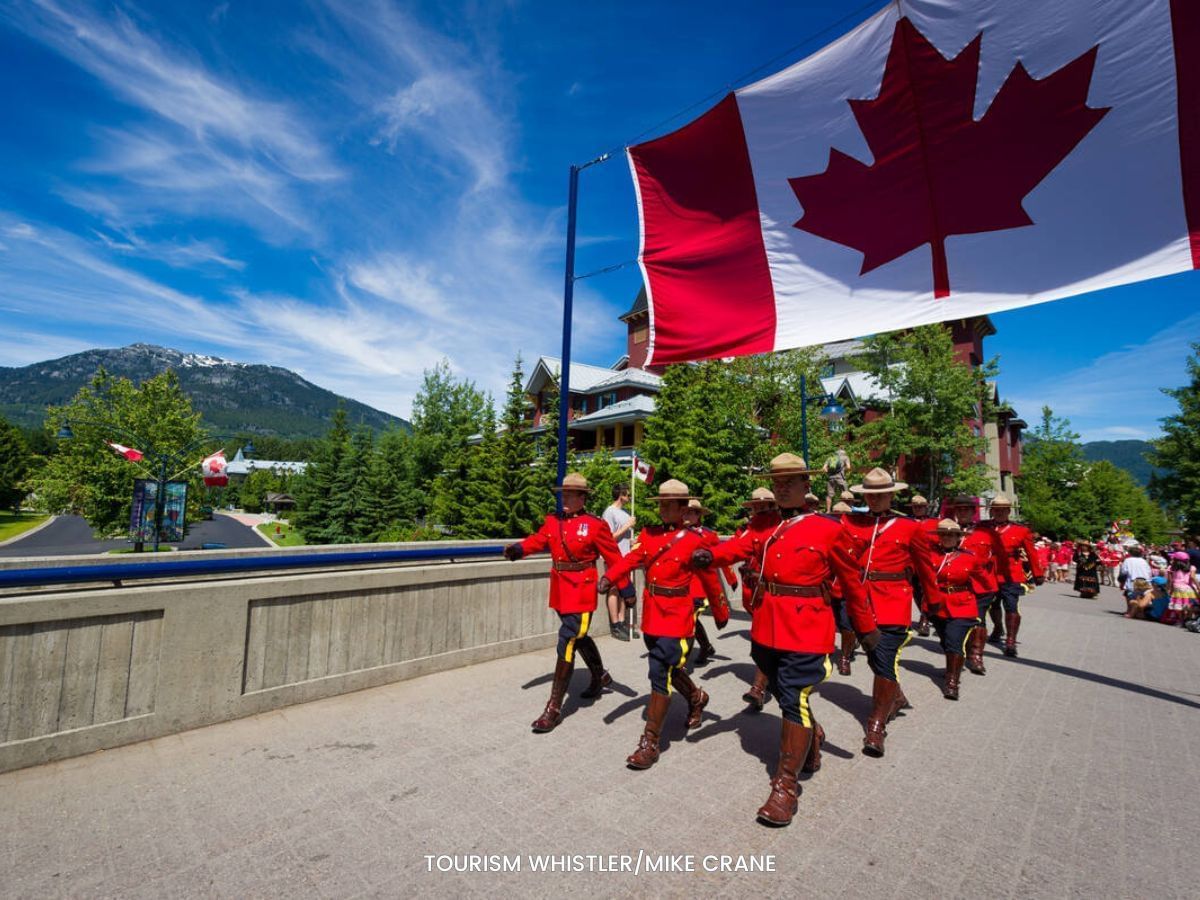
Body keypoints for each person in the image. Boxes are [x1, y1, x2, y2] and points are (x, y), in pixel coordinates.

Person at [692, 453, 878, 826]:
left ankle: (785, 786)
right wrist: (707, 557)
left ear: (806, 487)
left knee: (794, 697)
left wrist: (867, 631)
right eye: (777, 482)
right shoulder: (764, 526)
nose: (781, 488)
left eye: (789, 482)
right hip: (767, 625)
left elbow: (853, 583)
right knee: (781, 691)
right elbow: (737, 549)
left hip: (807, 628)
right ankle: (812, 736)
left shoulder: (828, 529)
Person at [597, 479, 728, 770]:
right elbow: (632, 558)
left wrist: (720, 611)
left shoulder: (696, 540)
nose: (663, 509)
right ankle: (696, 697)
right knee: (668, 667)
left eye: (670, 504)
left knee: (659, 672)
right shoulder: (650, 534)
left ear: (684, 508)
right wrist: (610, 577)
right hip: (653, 614)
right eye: (661, 504)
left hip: (678, 615)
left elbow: (709, 577)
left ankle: (650, 742)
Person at [504, 473, 624, 733]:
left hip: (582, 588)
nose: (565, 499)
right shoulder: (553, 521)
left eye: (570, 494)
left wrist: (625, 588)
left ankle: (554, 708)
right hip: (560, 588)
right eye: (563, 494)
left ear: (582, 498)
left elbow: (614, 558)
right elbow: (539, 540)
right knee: (578, 636)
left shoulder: (595, 524)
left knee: (568, 638)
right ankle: (600, 676)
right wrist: (519, 549)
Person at [841, 468, 936, 757]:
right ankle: (895, 695)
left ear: (892, 494)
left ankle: (876, 725)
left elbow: (925, 569)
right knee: (874, 658)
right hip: (861, 601)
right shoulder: (855, 524)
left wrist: (932, 604)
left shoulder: (910, 527)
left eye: (881, 494)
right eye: (870, 495)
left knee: (883, 660)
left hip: (893, 601)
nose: (875, 500)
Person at [926, 519, 985, 700]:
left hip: (963, 605)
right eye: (943, 534)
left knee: (954, 642)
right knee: (946, 641)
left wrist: (979, 608)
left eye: (951, 534)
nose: (947, 538)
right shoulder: (930, 555)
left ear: (959, 537)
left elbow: (984, 583)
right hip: (938, 604)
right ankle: (952, 667)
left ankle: (952, 683)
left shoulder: (970, 557)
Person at [735, 487, 777, 712]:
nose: (758, 510)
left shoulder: (781, 527)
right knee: (763, 642)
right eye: (755, 506)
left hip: (776, 593)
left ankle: (758, 688)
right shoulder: (746, 530)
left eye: (763, 506)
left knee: (765, 642)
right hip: (753, 590)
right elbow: (734, 550)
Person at [681, 498, 737, 666]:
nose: (687, 515)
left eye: (691, 512)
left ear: (698, 515)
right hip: (682, 584)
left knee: (689, 621)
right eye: (685, 511)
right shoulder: (677, 533)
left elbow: (723, 556)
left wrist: (731, 578)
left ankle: (680, 663)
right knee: (690, 620)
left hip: (701, 586)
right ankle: (706, 646)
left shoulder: (709, 535)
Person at [987, 495, 1044, 658]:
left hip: (1011, 573)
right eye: (996, 510)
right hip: (989, 572)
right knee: (992, 605)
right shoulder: (983, 527)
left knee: (1011, 606)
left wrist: (1037, 573)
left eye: (1003, 510)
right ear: (992, 511)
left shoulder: (1021, 530)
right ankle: (998, 627)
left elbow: (1031, 553)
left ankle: (1010, 641)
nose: (999, 513)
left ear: (1008, 511)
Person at [602, 485, 638, 641]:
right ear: (621, 495)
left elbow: (625, 538)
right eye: (627, 494)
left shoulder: (625, 513)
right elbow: (609, 538)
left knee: (625, 590)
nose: (629, 496)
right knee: (614, 589)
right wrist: (627, 526)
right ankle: (615, 624)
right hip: (613, 557)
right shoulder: (609, 512)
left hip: (626, 557)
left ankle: (623, 622)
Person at [907, 494, 937, 638]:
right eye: (915, 507)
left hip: (928, 562)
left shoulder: (935, 523)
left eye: (921, 507)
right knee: (916, 594)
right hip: (910, 564)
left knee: (927, 592)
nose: (918, 509)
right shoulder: (906, 522)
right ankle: (925, 614)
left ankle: (924, 620)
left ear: (926, 507)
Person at [1164, 551, 1200, 626]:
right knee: (1189, 605)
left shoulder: (1171, 567)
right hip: (1188, 588)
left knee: (1178, 606)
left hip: (1177, 588)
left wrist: (1169, 589)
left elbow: (1170, 580)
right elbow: (1193, 577)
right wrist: (1198, 586)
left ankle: (1181, 620)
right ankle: (1188, 620)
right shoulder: (1191, 567)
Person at [1119, 545, 1153, 614]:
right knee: (1141, 595)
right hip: (1144, 580)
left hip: (1133, 580)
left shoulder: (1128, 560)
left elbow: (1124, 571)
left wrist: (1121, 580)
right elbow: (1149, 572)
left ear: (1130, 553)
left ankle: (1130, 610)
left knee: (1129, 595)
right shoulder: (1144, 561)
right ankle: (1139, 612)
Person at [823, 447, 851, 513]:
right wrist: (844, 469)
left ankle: (828, 510)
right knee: (845, 494)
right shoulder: (845, 457)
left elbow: (824, 468)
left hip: (831, 478)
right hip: (840, 477)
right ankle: (845, 510)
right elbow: (848, 467)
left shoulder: (830, 458)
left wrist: (829, 472)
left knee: (829, 495)